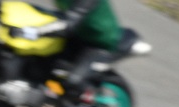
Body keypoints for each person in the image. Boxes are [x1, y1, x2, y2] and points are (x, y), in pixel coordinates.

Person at [10, 0, 151, 91]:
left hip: (98, 42)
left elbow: (67, 24)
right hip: (77, 34)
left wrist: (31, 31)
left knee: (72, 82)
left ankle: (84, 106)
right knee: (39, 62)